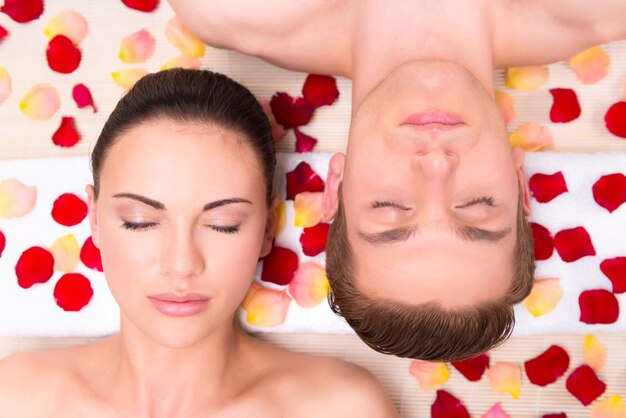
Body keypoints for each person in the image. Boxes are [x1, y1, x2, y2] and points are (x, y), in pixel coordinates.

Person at [167, 0, 626, 361]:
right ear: (519, 182)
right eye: (478, 203)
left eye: (390, 207)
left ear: (337, 185)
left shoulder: (231, 8)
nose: (436, 164)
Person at [0, 69, 398, 417]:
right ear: (94, 219)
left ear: (266, 229)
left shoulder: (341, 409)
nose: (182, 263)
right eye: (140, 222)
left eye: (223, 225)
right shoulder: (15, 400)